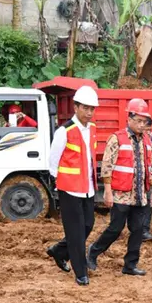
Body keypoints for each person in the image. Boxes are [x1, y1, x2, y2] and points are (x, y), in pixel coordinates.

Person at [87, 98, 152, 276]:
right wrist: (108, 192)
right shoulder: (116, 138)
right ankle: (93, 252)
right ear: (129, 118)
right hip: (121, 194)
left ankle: (130, 265)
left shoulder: (148, 141)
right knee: (115, 228)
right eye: (139, 121)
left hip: (140, 195)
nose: (142, 125)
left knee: (138, 230)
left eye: (145, 122)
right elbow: (107, 166)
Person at [45, 85, 99, 286]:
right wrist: (55, 182)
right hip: (69, 189)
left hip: (88, 188)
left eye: (92, 109)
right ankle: (81, 271)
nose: (89, 112)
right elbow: (54, 159)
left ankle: (59, 251)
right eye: (85, 108)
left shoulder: (92, 129)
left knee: (87, 225)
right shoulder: (65, 131)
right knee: (75, 232)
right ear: (75, 107)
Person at [142, 116, 152, 242]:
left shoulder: (151, 137)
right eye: (146, 129)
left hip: (147, 175)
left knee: (148, 202)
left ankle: (144, 231)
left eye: (149, 129)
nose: (148, 132)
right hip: (135, 176)